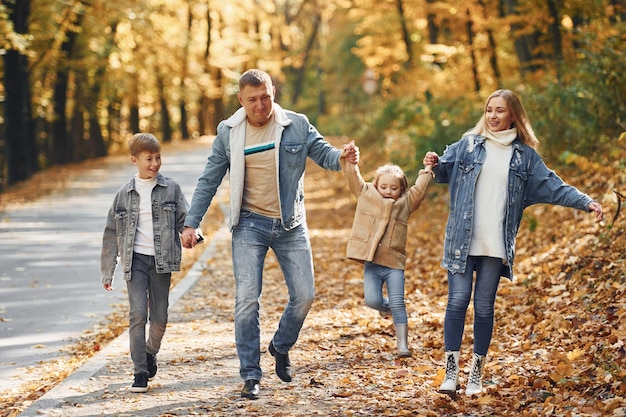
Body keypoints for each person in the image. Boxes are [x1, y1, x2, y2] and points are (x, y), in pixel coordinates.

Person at [180, 69, 359, 400]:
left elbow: (326, 156)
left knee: (304, 295)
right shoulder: (229, 133)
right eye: (252, 100)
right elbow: (209, 179)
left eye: (266, 97)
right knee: (247, 298)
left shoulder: (296, 124)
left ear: (273, 91)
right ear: (240, 100)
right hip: (249, 223)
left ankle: (280, 346)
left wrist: (343, 157)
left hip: (290, 224)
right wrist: (192, 223)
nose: (261, 105)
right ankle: (250, 373)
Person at [424, 89, 603, 397]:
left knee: (483, 307)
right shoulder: (467, 145)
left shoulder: (525, 158)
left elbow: (554, 187)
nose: (493, 116)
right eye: (489, 110)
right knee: (457, 301)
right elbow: (442, 170)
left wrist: (586, 202)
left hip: (495, 243)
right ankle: (451, 371)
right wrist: (434, 163)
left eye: (500, 111)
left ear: (513, 116)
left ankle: (476, 374)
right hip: (461, 241)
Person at [101, 133, 188, 393]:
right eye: (148, 159)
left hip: (161, 262)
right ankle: (140, 372)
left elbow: (186, 218)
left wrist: (192, 234)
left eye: (158, 158)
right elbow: (110, 232)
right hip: (135, 262)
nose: (154, 163)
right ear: (134, 160)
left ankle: (150, 352)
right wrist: (108, 271)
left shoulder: (171, 188)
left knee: (159, 318)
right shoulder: (124, 194)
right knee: (137, 314)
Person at [341, 144, 434, 358]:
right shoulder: (367, 195)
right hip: (372, 263)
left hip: (394, 265)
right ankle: (388, 309)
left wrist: (427, 169)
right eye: (384, 187)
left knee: (398, 301)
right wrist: (351, 162)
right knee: (372, 301)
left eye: (394, 188)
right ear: (376, 185)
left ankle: (403, 345)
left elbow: (419, 190)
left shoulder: (405, 204)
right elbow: (353, 179)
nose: (388, 192)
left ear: (401, 190)